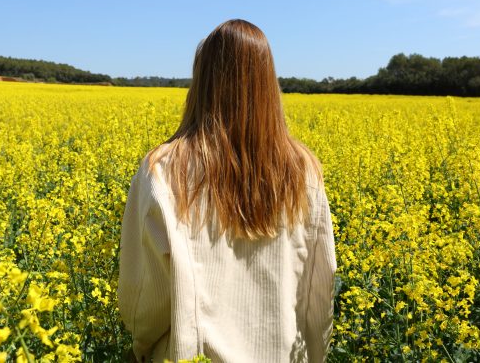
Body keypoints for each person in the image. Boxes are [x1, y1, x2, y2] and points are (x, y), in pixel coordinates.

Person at [117, 19, 336, 362]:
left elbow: (144, 296)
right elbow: (320, 288)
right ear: (269, 84)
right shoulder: (304, 170)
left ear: (202, 81)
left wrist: (140, 347)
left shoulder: (163, 170)